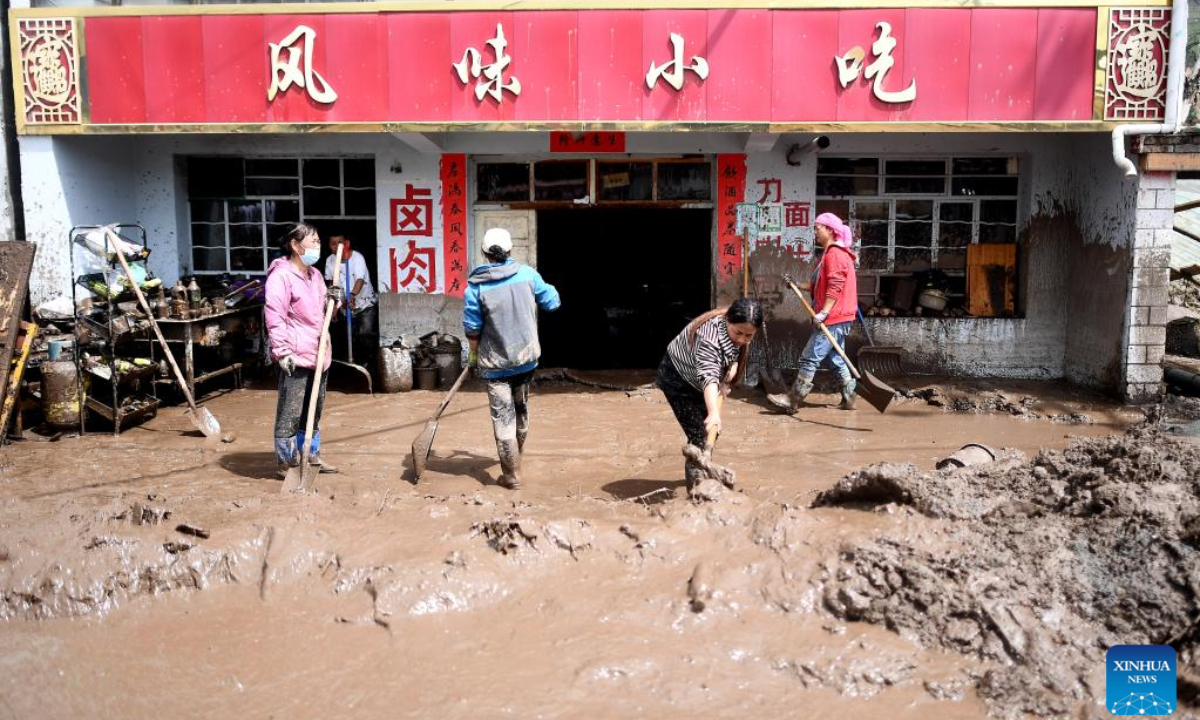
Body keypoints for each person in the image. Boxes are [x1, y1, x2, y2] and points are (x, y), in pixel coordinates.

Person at [463, 228, 561, 490]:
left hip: (495, 366)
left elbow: (472, 330)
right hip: (526, 360)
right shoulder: (528, 275)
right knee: (521, 409)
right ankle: (517, 458)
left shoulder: (476, 287)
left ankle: (512, 475)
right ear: (509, 251)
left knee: (502, 417)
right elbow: (553, 303)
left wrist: (472, 358)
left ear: (484, 254)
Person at [657, 298, 763, 489]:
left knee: (709, 432)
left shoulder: (737, 328)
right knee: (700, 434)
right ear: (728, 320)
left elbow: (730, 354)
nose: (742, 339)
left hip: (702, 379)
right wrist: (713, 412)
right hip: (677, 379)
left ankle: (702, 470)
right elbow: (708, 377)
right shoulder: (708, 337)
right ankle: (698, 488)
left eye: (749, 335)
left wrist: (727, 377)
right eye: (738, 333)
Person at [265, 222, 342, 478]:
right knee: (291, 411)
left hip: (319, 353)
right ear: (296, 246)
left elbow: (324, 313)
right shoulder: (281, 277)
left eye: (319, 241)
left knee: (313, 409)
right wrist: (282, 351)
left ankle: (310, 455)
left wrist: (335, 300)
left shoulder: (315, 275)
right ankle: (286, 463)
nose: (318, 246)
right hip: (295, 355)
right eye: (313, 241)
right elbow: (274, 316)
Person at [768, 212, 859, 413]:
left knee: (810, 357)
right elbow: (819, 285)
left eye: (817, 228)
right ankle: (850, 397)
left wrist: (824, 313)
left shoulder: (835, 254)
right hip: (839, 316)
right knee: (835, 358)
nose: (815, 232)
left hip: (833, 317)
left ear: (830, 230)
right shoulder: (829, 254)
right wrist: (796, 285)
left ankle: (793, 399)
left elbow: (835, 286)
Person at [323, 233, 377, 363]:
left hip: (365, 303)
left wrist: (352, 296)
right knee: (349, 336)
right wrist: (334, 306)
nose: (337, 246)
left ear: (346, 244)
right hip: (344, 304)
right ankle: (352, 361)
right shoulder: (330, 260)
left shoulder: (357, 258)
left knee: (366, 333)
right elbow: (331, 283)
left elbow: (360, 280)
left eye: (340, 243)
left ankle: (369, 362)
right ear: (329, 246)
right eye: (333, 243)